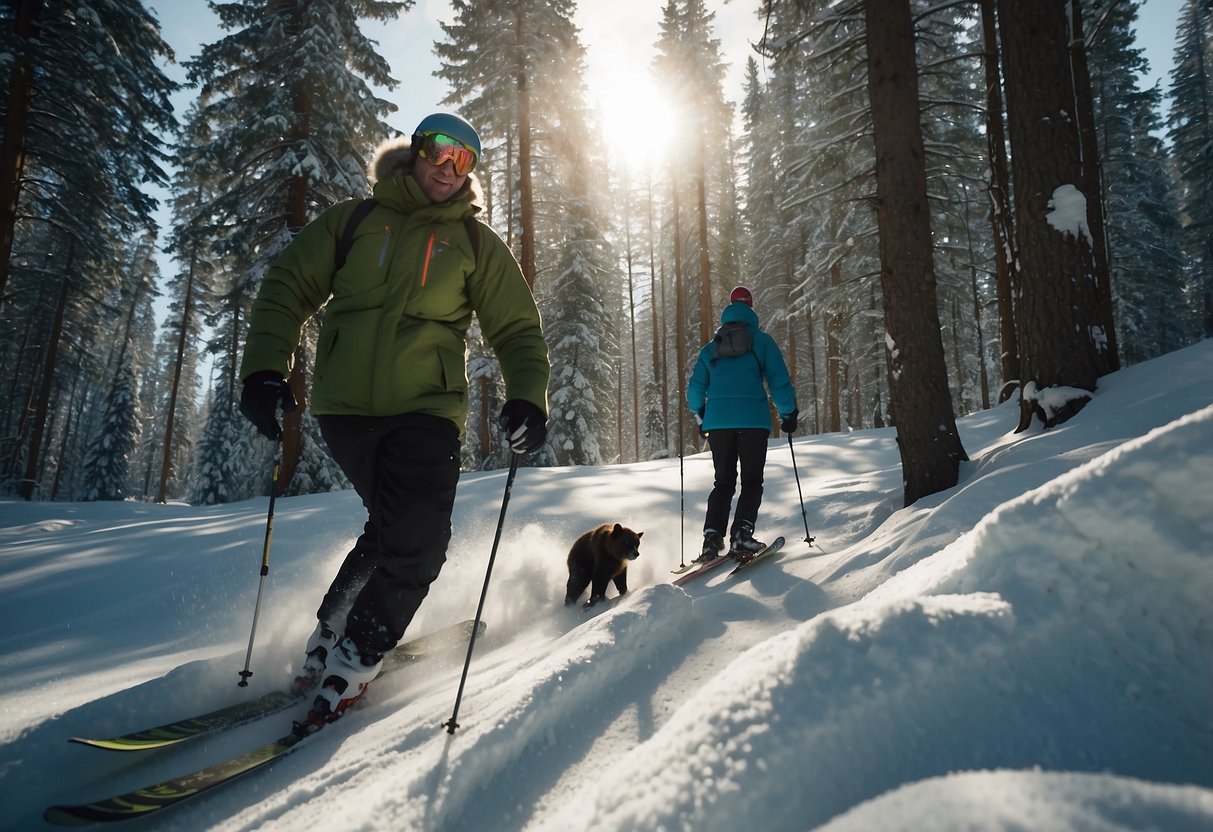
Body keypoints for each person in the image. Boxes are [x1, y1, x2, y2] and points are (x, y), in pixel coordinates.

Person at [238, 112, 550, 725]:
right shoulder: (355, 221)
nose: (448, 166)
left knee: (418, 537)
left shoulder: (477, 244)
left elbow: (516, 328)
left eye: (464, 160)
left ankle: (356, 652)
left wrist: (527, 397)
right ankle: (332, 632)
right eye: (439, 150)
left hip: (426, 410)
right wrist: (265, 369)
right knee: (392, 526)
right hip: (347, 411)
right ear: (415, 151)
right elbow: (288, 284)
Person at [686, 285, 798, 563]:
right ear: (751, 306)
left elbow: (695, 390)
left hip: (719, 425)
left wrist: (701, 416)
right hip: (753, 423)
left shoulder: (711, 348)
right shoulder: (761, 342)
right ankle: (741, 535)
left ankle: (712, 539)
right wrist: (788, 414)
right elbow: (778, 380)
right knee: (751, 482)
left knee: (722, 482)